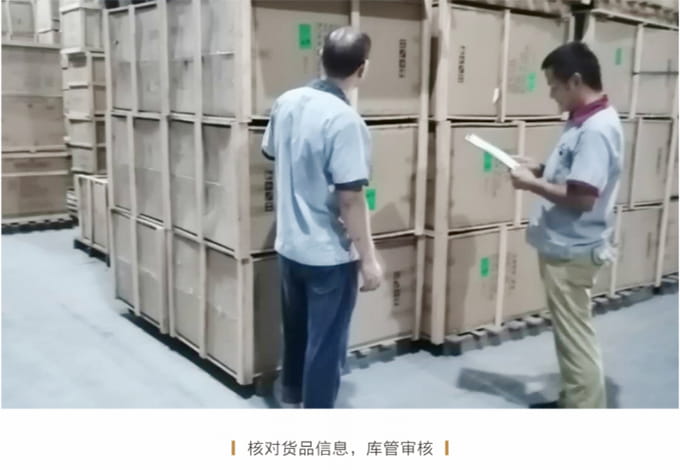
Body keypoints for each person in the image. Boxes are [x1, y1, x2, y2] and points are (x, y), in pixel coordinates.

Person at [260, 27, 383, 408]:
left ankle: (291, 395)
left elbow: (269, 152)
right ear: (362, 69)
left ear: (320, 58)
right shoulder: (345, 121)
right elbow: (350, 199)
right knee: (326, 343)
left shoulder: (286, 102)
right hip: (328, 255)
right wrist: (369, 260)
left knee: (296, 329)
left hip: (289, 245)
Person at [510, 42, 623, 408]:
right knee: (569, 333)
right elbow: (576, 176)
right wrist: (541, 169)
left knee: (576, 338)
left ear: (575, 81)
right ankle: (573, 400)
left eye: (554, 86)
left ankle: (583, 411)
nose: (551, 94)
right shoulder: (584, 121)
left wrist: (532, 184)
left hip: (572, 249)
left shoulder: (596, 130)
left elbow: (583, 197)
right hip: (566, 245)